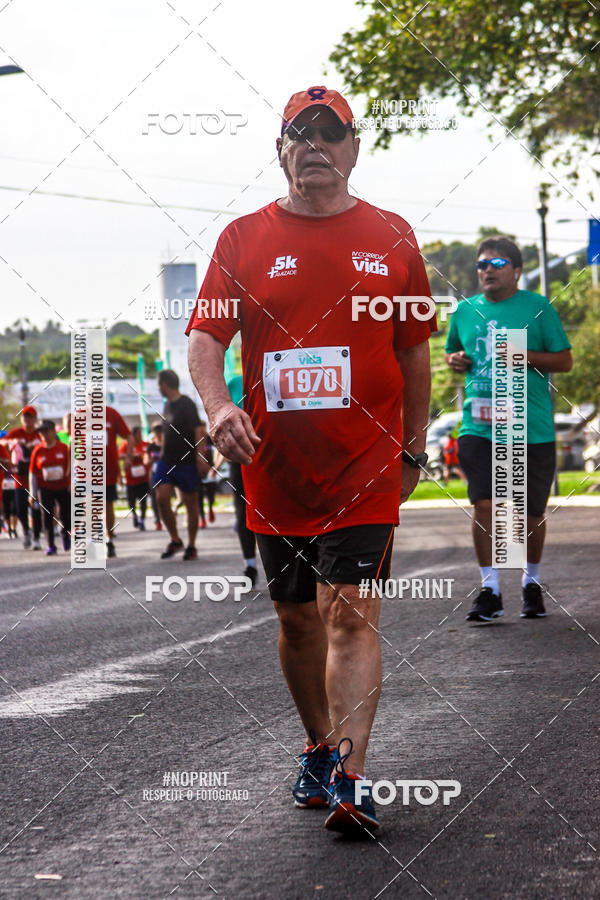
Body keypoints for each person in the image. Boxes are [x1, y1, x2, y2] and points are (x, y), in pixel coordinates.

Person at [187, 85, 434, 833]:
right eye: (301, 132)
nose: (315, 144)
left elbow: (416, 355)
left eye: (331, 132)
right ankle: (320, 748)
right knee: (297, 620)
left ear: (355, 148)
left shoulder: (393, 238)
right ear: (281, 150)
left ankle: (351, 780)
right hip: (273, 469)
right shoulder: (242, 240)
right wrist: (220, 405)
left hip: (365, 467)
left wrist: (413, 448)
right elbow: (204, 339)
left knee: (349, 613)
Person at [445, 235, 572, 622]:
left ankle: (531, 583)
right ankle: (490, 589)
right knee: (485, 503)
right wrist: (455, 359)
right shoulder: (463, 312)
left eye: (497, 264)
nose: (486, 270)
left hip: (530, 428)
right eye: (482, 264)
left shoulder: (536, 308)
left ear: (516, 271)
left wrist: (524, 356)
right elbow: (454, 352)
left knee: (531, 514)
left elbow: (564, 361)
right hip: (479, 426)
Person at [154, 369, 209, 560]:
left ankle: (191, 545)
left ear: (164, 385)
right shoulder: (167, 405)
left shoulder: (187, 404)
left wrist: (200, 457)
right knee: (161, 497)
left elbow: (198, 430)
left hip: (186, 462)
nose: (158, 388)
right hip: (166, 460)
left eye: (158, 384)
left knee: (190, 504)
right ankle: (175, 540)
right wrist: (160, 456)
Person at [29, 420, 71, 556]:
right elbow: (33, 473)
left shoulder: (64, 448)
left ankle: (65, 533)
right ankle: (51, 545)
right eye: (41, 432)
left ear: (53, 431)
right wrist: (32, 493)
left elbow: (71, 468)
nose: (43, 435)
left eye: (46, 431)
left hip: (63, 487)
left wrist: (73, 484)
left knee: (66, 514)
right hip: (45, 488)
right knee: (46, 516)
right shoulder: (37, 450)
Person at [3, 406, 43, 549]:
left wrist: (36, 446)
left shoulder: (39, 434)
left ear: (35, 418)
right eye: (24, 416)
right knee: (20, 509)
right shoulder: (17, 433)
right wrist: (13, 443)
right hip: (20, 479)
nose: (27, 419)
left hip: (37, 480)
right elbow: (2, 441)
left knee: (37, 509)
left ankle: (37, 537)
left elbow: (50, 443)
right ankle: (26, 532)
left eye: (30, 416)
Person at [120, 425, 150, 530]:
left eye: (141, 433)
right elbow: (119, 455)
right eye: (139, 433)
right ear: (134, 434)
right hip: (130, 480)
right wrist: (131, 456)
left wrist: (143, 456)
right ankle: (134, 515)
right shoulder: (127, 445)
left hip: (143, 479)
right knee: (131, 502)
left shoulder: (146, 445)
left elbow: (150, 455)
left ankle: (142, 519)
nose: (140, 435)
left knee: (143, 501)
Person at [145, 422, 164, 530]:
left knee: (163, 497)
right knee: (154, 498)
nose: (159, 434)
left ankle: (165, 516)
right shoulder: (151, 447)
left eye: (160, 432)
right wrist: (150, 460)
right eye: (156, 432)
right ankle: (157, 519)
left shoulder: (167, 445)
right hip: (154, 474)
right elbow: (146, 461)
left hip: (166, 474)